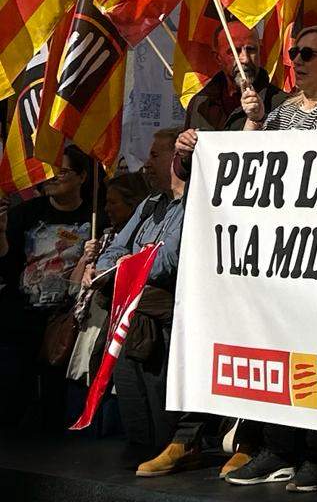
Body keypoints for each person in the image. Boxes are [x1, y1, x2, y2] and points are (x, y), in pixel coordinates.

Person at [226, 27, 317, 491]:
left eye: (308, 54)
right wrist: (255, 122)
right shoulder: (280, 111)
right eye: (293, 53)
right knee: (280, 350)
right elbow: (249, 169)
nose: (296, 61)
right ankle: (278, 446)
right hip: (279, 254)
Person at [84, 129, 186, 471]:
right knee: (128, 388)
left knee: (158, 394)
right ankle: (139, 444)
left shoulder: (195, 205)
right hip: (128, 311)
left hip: (164, 318)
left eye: (155, 156)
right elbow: (116, 248)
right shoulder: (148, 205)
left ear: (178, 158)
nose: (147, 165)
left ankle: (165, 447)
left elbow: (167, 260)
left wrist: (126, 266)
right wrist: (108, 267)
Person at [0, 145, 94, 433]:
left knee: (57, 393)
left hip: (67, 319)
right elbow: (5, 261)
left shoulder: (94, 216)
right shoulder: (25, 214)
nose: (52, 178)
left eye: (62, 171)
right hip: (22, 313)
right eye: (48, 170)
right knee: (13, 383)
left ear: (82, 176)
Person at [186, 21, 283, 131]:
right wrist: (184, 145)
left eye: (251, 49)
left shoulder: (282, 103)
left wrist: (259, 120)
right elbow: (191, 145)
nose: (245, 59)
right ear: (218, 58)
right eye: (235, 51)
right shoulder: (201, 104)